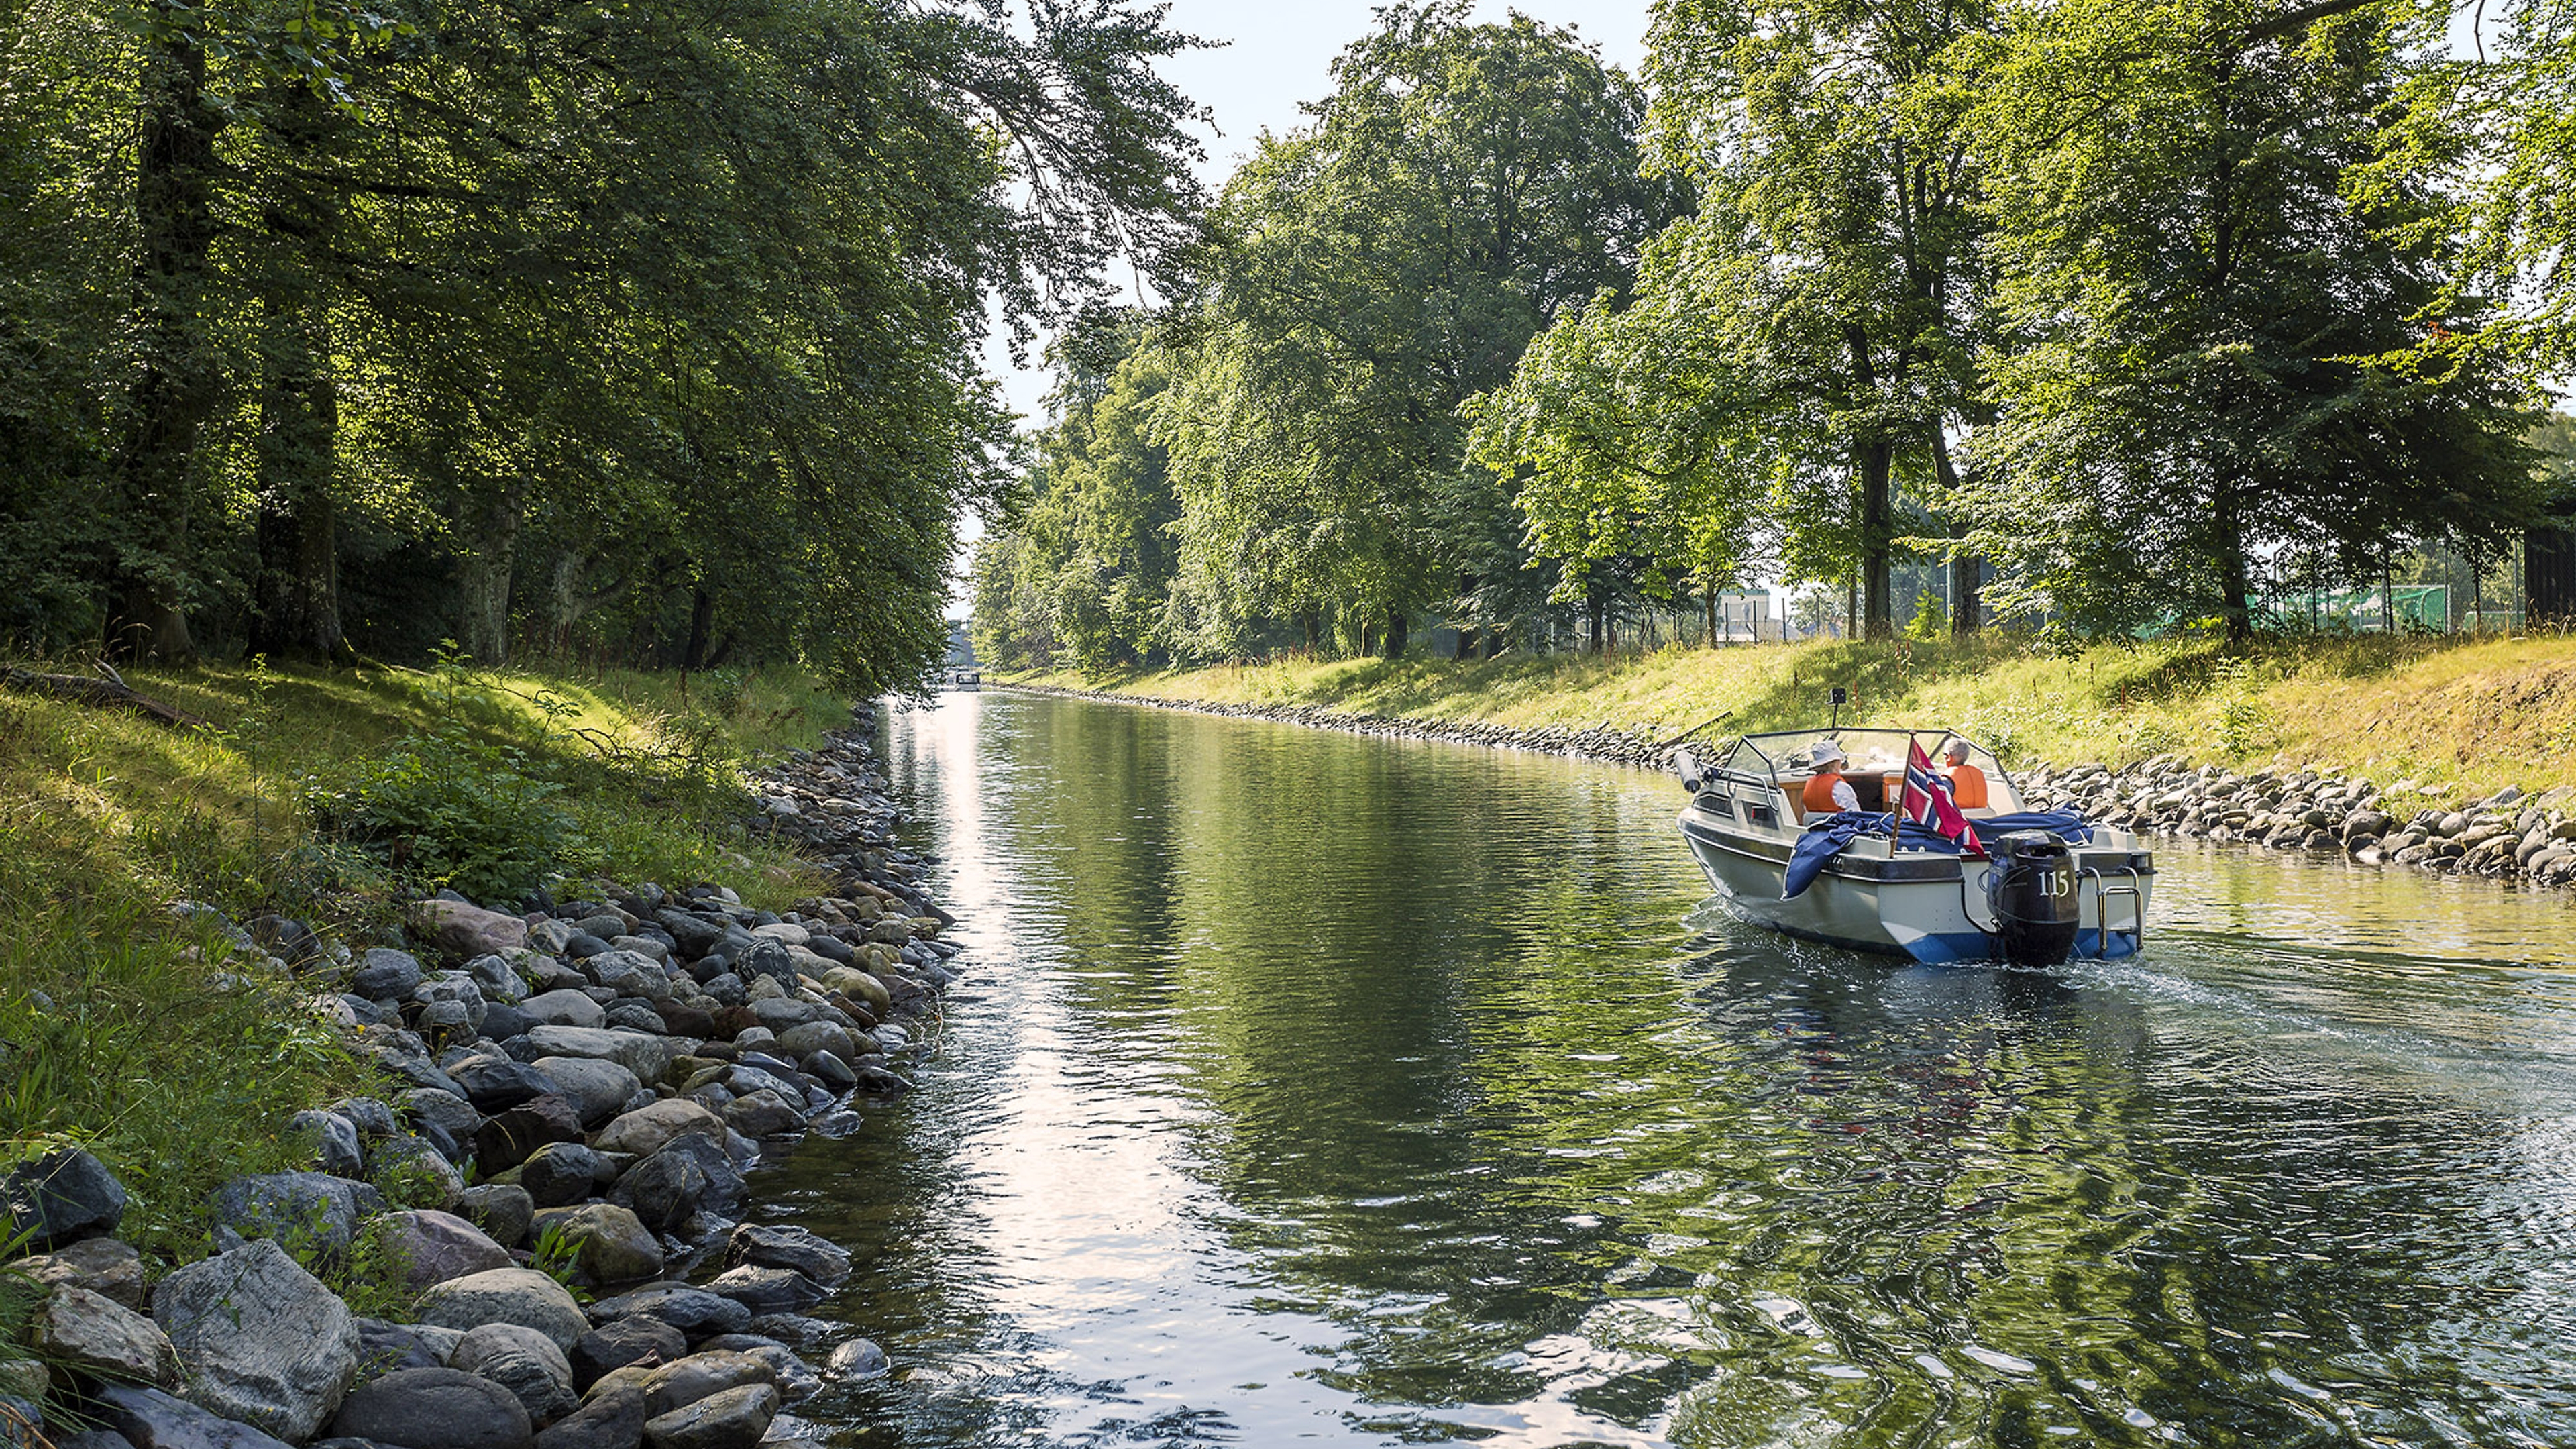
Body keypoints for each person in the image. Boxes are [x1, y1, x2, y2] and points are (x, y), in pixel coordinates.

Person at [1801, 739, 1860, 815]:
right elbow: (1856, 815)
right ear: (1835, 763)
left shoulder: (1809, 784)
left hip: (1814, 826)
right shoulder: (1840, 786)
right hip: (1838, 826)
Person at [1939, 739, 1992, 816]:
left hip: (1958, 820)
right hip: (1983, 819)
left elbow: (1937, 800)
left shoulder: (1948, 779)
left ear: (1948, 757)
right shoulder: (1978, 773)